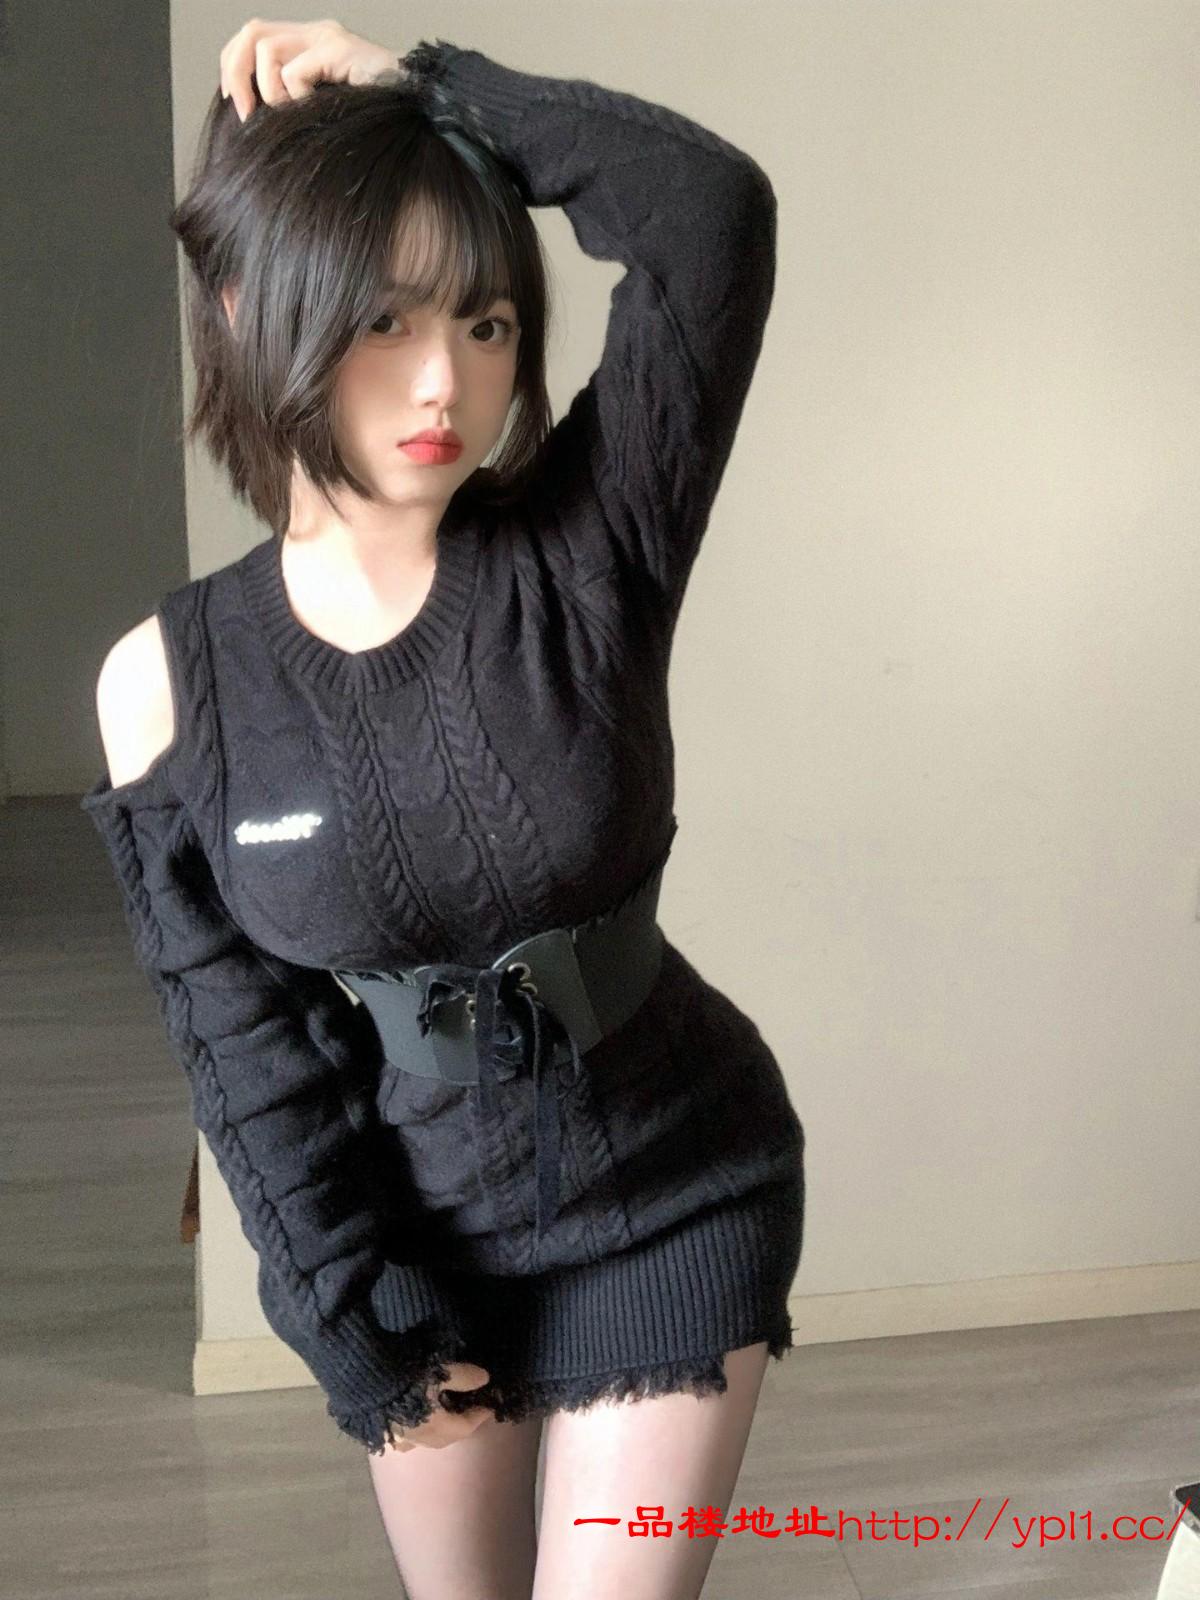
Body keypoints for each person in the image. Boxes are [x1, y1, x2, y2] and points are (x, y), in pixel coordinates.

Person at [83, 17, 805, 1599]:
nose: (447, 381)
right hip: (417, 1247)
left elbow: (709, 214)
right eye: (385, 319)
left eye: (485, 322)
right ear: (246, 308)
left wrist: (426, 90)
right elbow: (247, 1056)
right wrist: (352, 1318)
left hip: (674, 1191)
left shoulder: (594, 541)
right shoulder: (170, 686)